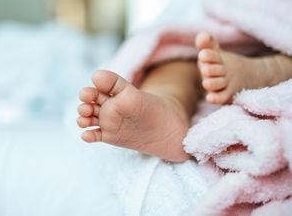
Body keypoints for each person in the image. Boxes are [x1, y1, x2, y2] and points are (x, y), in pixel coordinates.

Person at [76, 31, 292, 162]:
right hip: (232, 37)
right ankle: (169, 105)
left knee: (183, 65)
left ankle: (265, 69)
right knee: (176, 63)